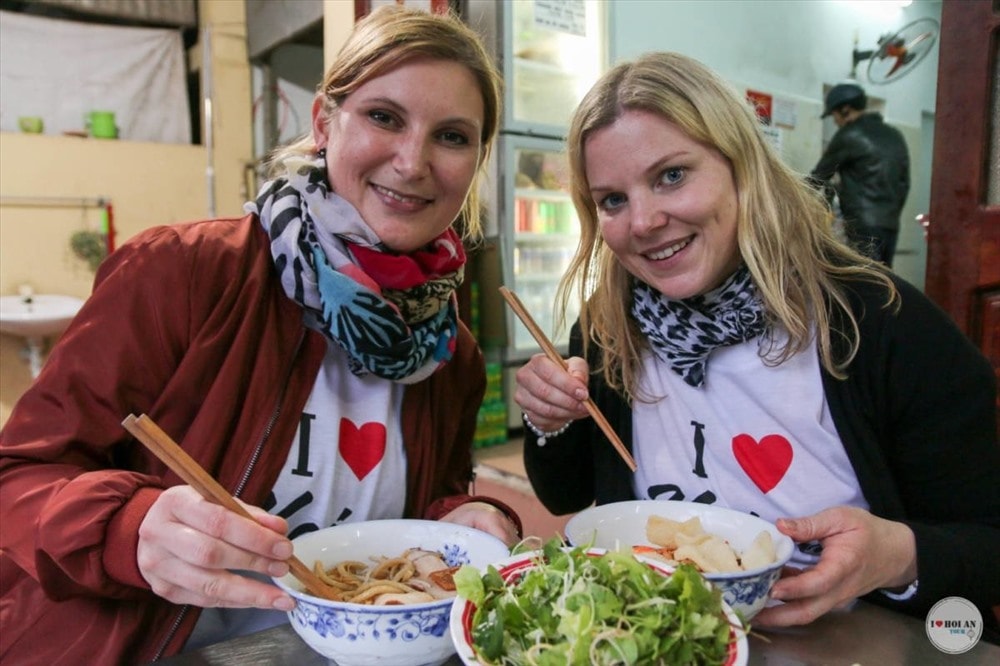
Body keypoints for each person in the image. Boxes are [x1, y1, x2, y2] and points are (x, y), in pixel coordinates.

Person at [0, 6, 523, 664]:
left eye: (451, 136)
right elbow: (18, 477)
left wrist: (467, 516)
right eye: (384, 117)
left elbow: (422, 501)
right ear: (324, 123)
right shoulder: (185, 272)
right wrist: (125, 529)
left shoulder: (450, 353)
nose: (413, 161)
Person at [513, 52, 999, 638]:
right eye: (612, 200)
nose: (642, 222)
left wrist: (896, 554)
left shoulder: (880, 322)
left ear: (743, 167)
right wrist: (549, 420)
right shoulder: (607, 328)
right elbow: (566, 493)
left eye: (672, 175)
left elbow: (986, 544)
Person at [809, 82, 910, 266]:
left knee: (864, 282)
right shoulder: (894, 135)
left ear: (845, 110)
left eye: (834, 115)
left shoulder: (848, 135)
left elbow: (818, 177)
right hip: (891, 224)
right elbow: (904, 183)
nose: (835, 122)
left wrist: (788, 197)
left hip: (862, 226)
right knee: (885, 281)